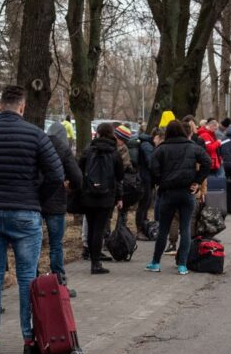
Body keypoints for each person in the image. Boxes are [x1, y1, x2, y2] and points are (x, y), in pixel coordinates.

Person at [0, 85, 63, 354]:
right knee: (26, 278)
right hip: (26, 212)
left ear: (0, 105)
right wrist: (36, 199)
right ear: (22, 107)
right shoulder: (36, 135)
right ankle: (29, 339)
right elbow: (56, 174)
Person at [145, 120, 212, 274]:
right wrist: (197, 181)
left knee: (163, 229)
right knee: (186, 228)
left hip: (167, 193)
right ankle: (182, 264)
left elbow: (153, 169)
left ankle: (156, 262)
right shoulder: (193, 147)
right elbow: (207, 162)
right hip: (187, 192)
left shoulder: (161, 149)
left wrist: (159, 182)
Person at [42, 121, 83, 296]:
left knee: (33, 245)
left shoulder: (39, 145)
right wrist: (70, 187)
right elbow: (77, 178)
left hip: (35, 202)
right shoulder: (64, 150)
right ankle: (59, 282)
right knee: (56, 245)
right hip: (57, 202)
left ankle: (33, 281)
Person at [79, 122, 125, 275]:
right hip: (106, 196)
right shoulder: (114, 153)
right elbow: (120, 177)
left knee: (91, 227)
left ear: (97, 133)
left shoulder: (88, 151)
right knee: (99, 229)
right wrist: (119, 197)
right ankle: (96, 263)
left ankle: (91, 257)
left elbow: (79, 171)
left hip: (88, 195)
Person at [135, 127, 156, 237]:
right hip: (144, 179)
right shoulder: (147, 145)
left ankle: (143, 226)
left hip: (147, 178)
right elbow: (150, 162)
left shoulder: (147, 144)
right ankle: (140, 229)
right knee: (144, 204)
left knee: (146, 204)